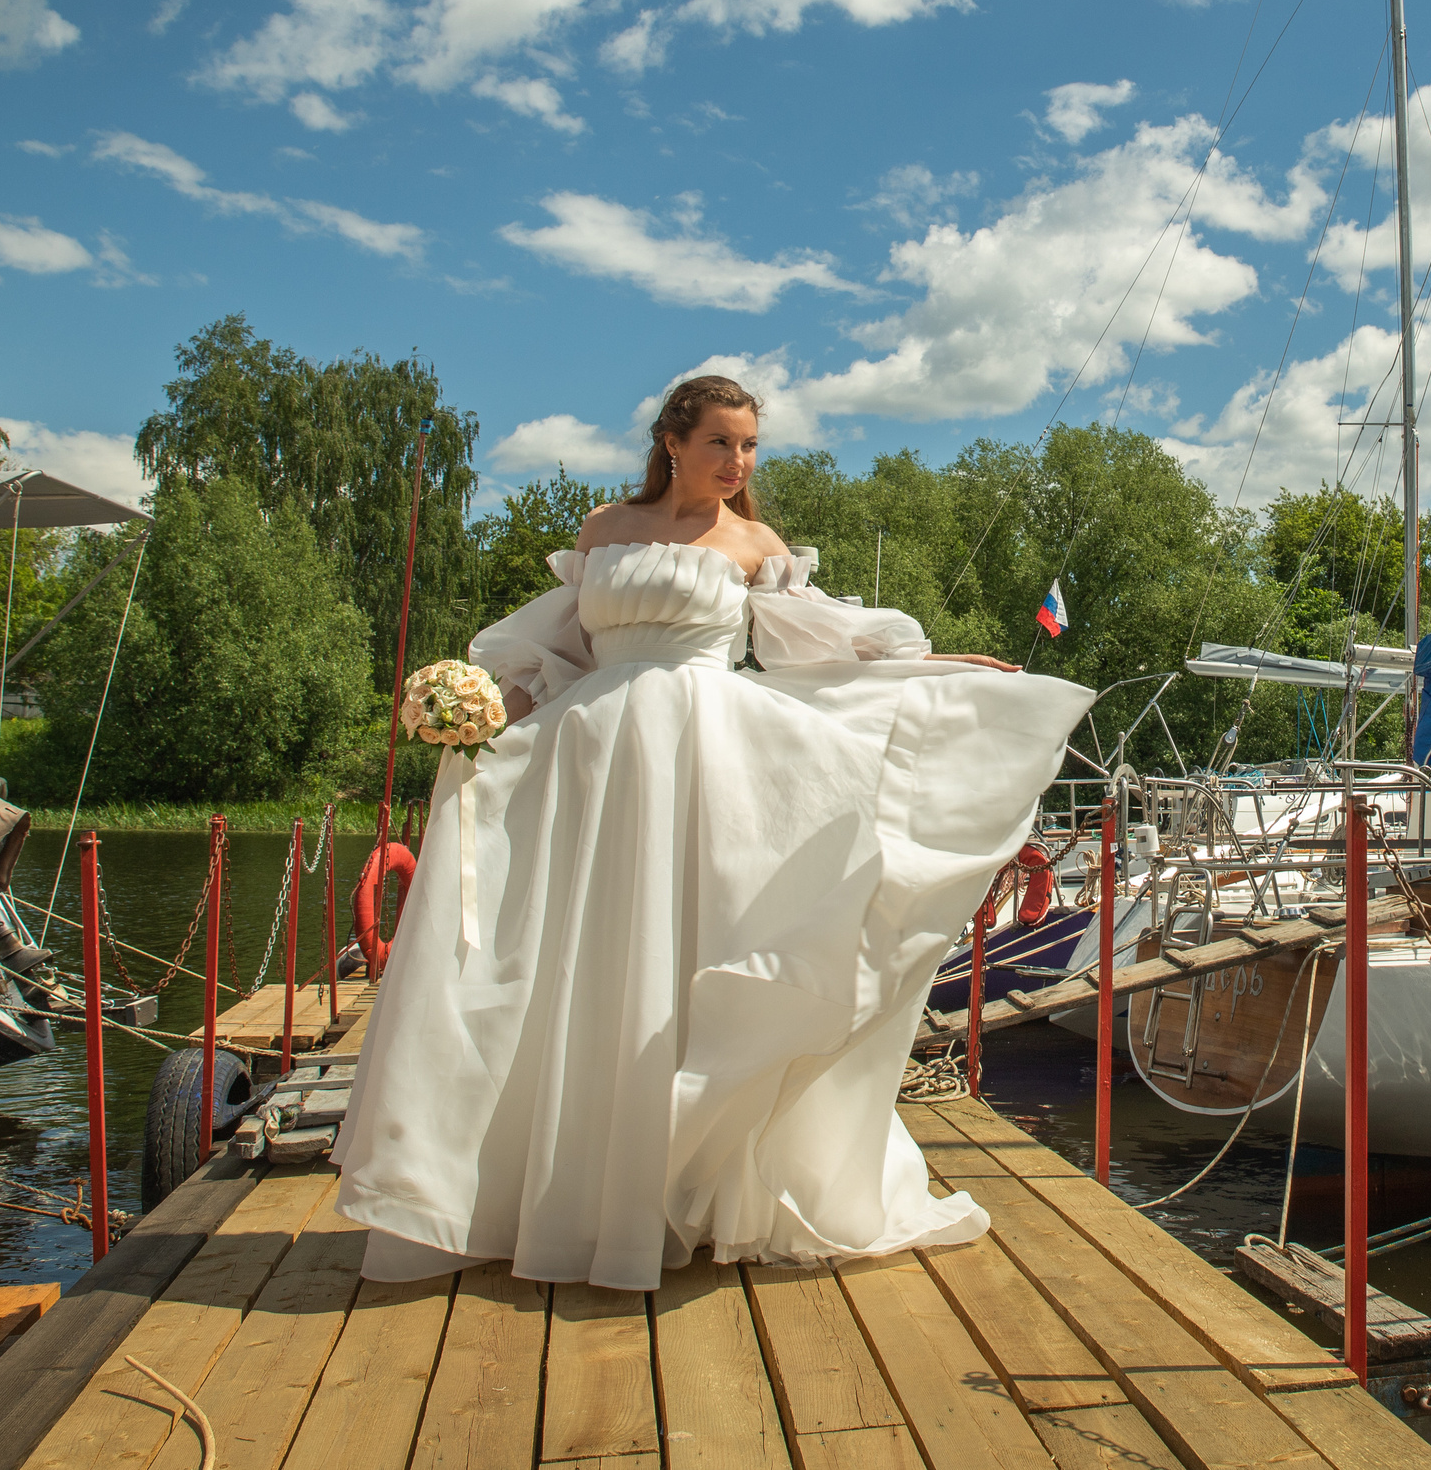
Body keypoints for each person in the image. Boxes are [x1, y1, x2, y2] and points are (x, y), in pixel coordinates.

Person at [332, 375, 1095, 1288]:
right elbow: (561, 655)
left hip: (707, 755)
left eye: (749, 448)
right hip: (592, 758)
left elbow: (823, 647)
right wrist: (485, 717)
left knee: (692, 950)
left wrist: (941, 664)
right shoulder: (605, 530)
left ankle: (674, 1188)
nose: (737, 465)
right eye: (720, 444)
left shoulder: (755, 545)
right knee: (574, 963)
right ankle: (540, 1195)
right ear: (671, 443)